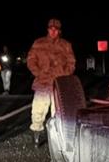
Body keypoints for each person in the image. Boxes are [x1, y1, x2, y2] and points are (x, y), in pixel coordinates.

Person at [25, 17, 75, 147]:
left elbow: (71, 63)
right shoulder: (38, 43)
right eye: (51, 29)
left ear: (59, 31)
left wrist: (64, 75)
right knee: (38, 111)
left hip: (59, 84)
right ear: (48, 29)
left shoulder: (66, 45)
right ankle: (36, 135)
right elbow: (30, 60)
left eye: (56, 29)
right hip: (43, 82)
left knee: (58, 112)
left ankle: (57, 138)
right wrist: (38, 73)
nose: (53, 31)